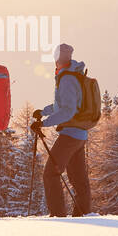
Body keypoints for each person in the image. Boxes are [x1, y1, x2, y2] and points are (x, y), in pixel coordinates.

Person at [31, 42, 92, 216]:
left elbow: (67, 110)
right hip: (79, 133)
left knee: (50, 174)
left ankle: (58, 216)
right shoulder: (73, 75)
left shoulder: (67, 79)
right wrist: (43, 112)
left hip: (70, 134)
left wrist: (44, 123)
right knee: (78, 178)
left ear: (57, 59)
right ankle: (83, 215)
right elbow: (62, 104)